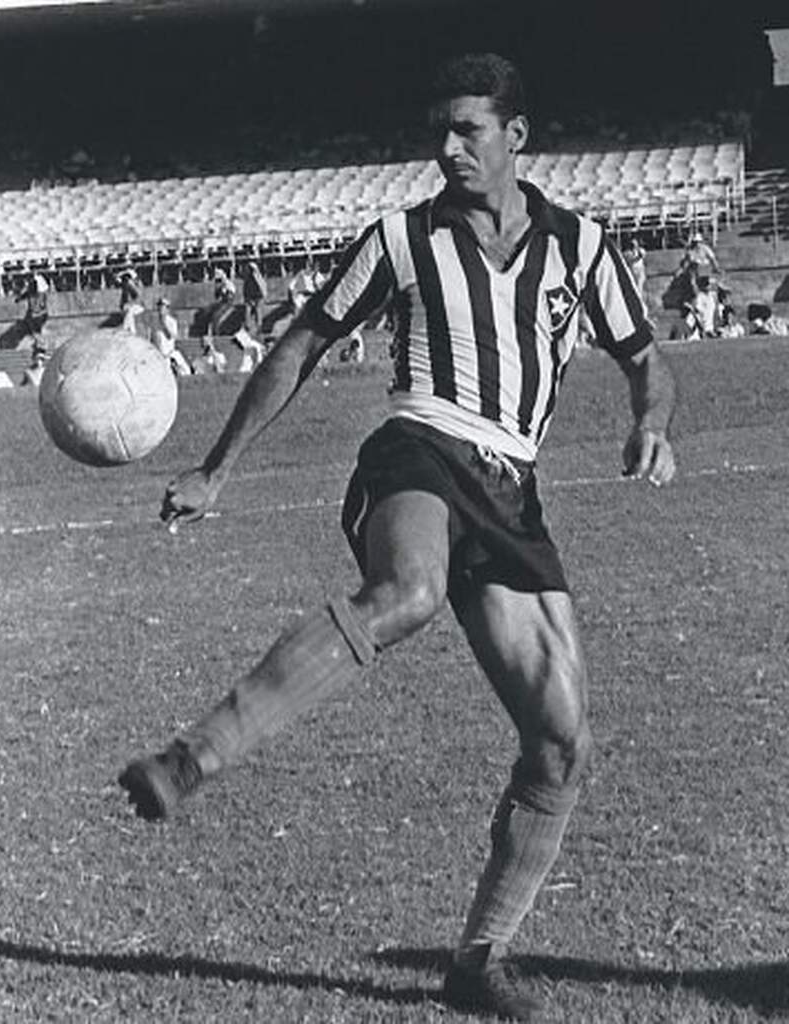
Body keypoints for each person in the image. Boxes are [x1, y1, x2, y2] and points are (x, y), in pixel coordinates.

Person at [119, 53, 676, 1021]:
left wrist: (652, 421)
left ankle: (479, 958)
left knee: (561, 744)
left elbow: (645, 357)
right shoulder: (401, 238)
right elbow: (302, 341)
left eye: (468, 129)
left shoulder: (582, 247)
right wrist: (217, 468)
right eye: (440, 130)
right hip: (416, 447)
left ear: (517, 137)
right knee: (409, 591)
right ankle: (191, 757)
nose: (449, 147)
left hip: (514, 489)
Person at [151, 297, 191, 376]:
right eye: (159, 306)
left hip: (170, 355)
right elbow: (152, 339)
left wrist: (164, 324)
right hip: (159, 356)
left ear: (167, 309)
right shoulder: (154, 323)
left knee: (185, 371)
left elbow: (170, 336)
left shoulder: (172, 322)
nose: (160, 309)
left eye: (163, 306)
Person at [15, 272, 50, 351]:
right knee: (35, 329)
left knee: (34, 330)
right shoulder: (35, 292)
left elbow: (38, 304)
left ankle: (42, 343)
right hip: (41, 314)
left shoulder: (37, 293)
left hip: (38, 315)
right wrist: (19, 298)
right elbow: (22, 296)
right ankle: (39, 343)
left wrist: (19, 298)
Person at [679, 231, 720, 295]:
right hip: (694, 271)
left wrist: (716, 267)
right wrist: (683, 268)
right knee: (691, 283)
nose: (697, 244)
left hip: (705, 269)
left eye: (698, 242)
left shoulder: (705, 248)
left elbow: (712, 258)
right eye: (695, 242)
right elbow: (685, 261)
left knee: (714, 284)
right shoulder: (690, 251)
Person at [241, 260, 268, 340]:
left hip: (258, 297)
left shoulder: (258, 278)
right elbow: (245, 291)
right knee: (247, 309)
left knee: (258, 309)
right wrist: (248, 299)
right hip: (250, 298)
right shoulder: (247, 280)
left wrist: (260, 299)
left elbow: (262, 290)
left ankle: (259, 327)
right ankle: (247, 326)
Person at [622, 236, 647, 310]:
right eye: (632, 244)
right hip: (632, 273)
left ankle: (641, 307)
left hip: (640, 273)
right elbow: (632, 260)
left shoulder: (641, 250)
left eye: (635, 243)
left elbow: (642, 256)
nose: (634, 245)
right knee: (633, 290)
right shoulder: (627, 253)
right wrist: (638, 256)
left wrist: (638, 252)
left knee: (639, 289)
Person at [118, 267, 144, 334]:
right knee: (129, 313)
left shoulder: (132, 287)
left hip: (138, 307)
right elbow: (123, 302)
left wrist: (129, 304)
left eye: (127, 278)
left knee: (130, 312)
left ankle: (128, 329)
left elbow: (137, 298)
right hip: (129, 307)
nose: (126, 281)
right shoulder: (125, 288)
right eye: (124, 279)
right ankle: (129, 330)